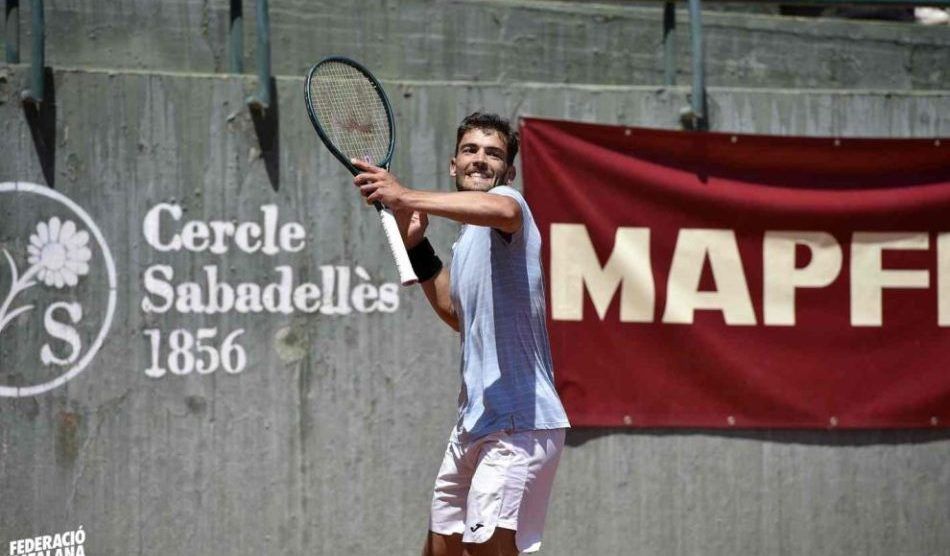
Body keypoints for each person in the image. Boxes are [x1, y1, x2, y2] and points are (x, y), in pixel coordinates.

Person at [352, 112, 570, 556]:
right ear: (454, 164)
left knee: (485, 552)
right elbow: (456, 312)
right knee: (440, 549)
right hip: (474, 423)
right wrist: (418, 247)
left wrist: (405, 194)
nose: (480, 160)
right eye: (470, 150)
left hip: (517, 425)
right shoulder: (468, 239)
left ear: (508, 172)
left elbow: (504, 209)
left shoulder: (509, 206)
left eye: (494, 154)